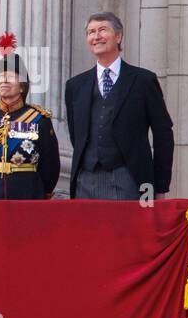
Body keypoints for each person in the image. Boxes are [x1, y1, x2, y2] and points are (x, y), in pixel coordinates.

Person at [65, 11, 174, 200]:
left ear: (118, 36)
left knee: (133, 230)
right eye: (91, 32)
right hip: (85, 181)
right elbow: (77, 134)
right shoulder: (75, 85)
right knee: (87, 230)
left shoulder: (143, 80)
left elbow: (163, 133)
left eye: (102, 30)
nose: (96, 36)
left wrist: (160, 186)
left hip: (131, 180)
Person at [0, 33, 60, 200]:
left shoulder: (39, 119)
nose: (4, 80)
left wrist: (42, 190)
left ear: (22, 86)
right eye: (1, 76)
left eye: (10, 76)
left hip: (28, 192)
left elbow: (50, 163)